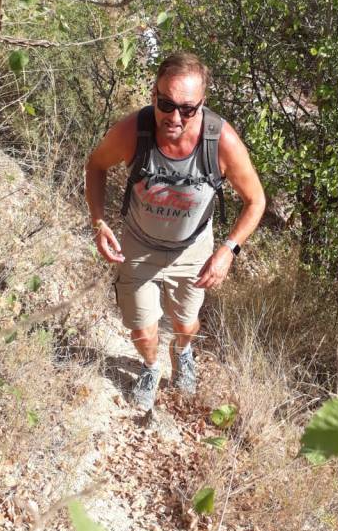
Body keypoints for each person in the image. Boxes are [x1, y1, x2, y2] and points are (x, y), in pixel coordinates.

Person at [85, 52, 266, 411]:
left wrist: (228, 250)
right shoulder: (133, 132)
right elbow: (96, 165)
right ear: (153, 95)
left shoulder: (221, 141)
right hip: (139, 246)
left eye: (187, 109)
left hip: (192, 250)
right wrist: (98, 221)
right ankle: (151, 366)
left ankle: (182, 351)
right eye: (166, 104)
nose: (175, 117)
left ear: (202, 103)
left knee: (186, 323)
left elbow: (256, 200)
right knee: (141, 328)